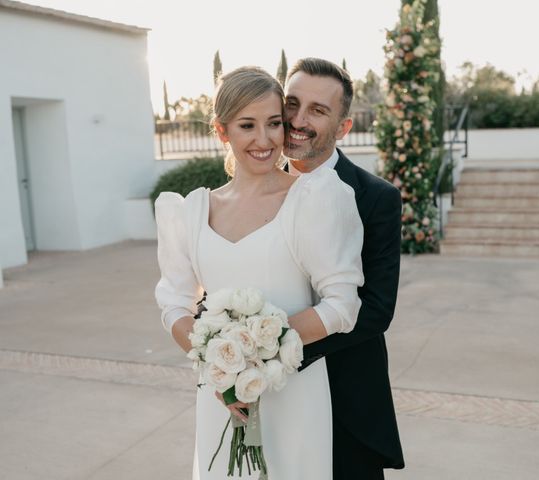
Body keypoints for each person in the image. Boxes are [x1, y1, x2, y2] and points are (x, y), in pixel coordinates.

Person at [154, 66, 364, 479]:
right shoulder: (190, 211)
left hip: (294, 392)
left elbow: (343, 304)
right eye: (247, 125)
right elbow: (173, 304)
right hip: (220, 395)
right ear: (222, 131)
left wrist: (257, 358)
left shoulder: (314, 200)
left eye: (274, 124)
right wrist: (220, 370)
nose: (264, 140)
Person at [284, 58, 405, 479]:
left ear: (343, 127)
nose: (298, 120)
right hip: (269, 398)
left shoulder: (376, 198)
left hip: (346, 398)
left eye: (317, 110)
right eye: (292, 103)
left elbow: (376, 310)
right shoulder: (250, 191)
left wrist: (274, 349)